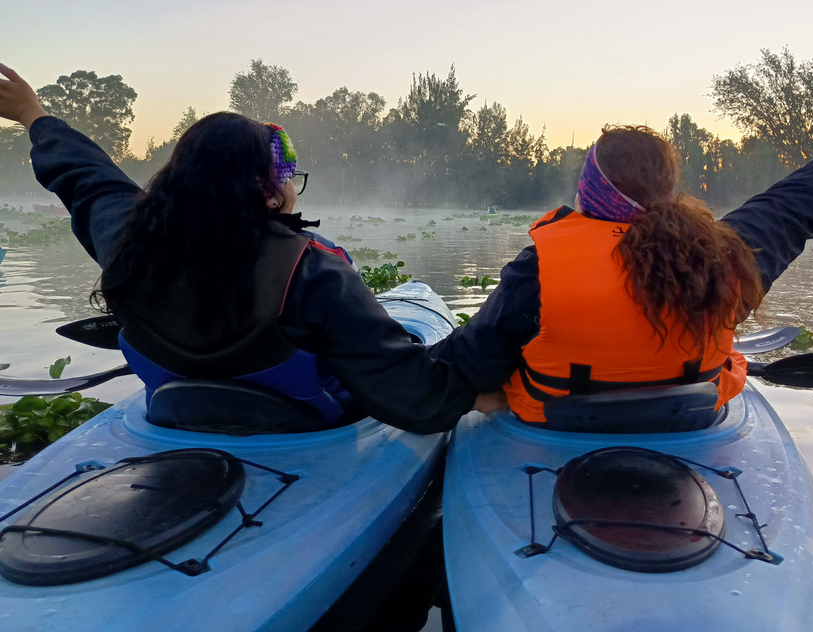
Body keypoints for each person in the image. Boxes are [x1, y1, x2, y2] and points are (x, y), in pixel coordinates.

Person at [436, 70, 813, 424]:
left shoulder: (540, 268)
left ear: (588, 191)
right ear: (671, 191)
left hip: (559, 420)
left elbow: (473, 365)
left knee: (488, 391)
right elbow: (807, 195)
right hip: (690, 417)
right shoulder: (724, 256)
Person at [0, 64, 500, 433]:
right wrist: (476, 389)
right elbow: (413, 400)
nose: (293, 191)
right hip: (306, 429)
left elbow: (88, 179)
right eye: (289, 180)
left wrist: (33, 115)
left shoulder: (130, 241)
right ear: (267, 190)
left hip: (178, 416)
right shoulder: (314, 269)